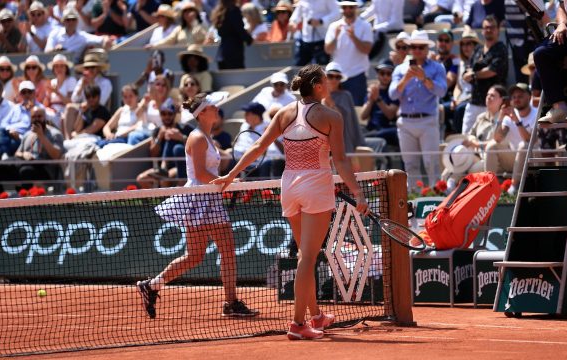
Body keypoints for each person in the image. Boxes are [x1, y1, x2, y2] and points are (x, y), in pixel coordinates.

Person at [212, 64, 368, 340]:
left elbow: (258, 147)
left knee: (303, 257)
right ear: (318, 86)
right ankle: (297, 324)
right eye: (325, 80)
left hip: (289, 187)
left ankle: (317, 316)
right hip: (316, 186)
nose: (329, 84)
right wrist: (357, 193)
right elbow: (340, 160)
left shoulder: (285, 113)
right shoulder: (331, 115)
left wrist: (229, 176)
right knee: (308, 257)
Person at [136, 92, 259, 319]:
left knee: (194, 256)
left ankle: (152, 285)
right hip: (202, 198)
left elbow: (209, 173)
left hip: (205, 196)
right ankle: (231, 302)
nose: (217, 109)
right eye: (213, 107)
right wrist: (227, 183)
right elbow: (201, 173)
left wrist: (227, 181)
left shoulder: (205, 136)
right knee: (227, 250)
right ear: (202, 113)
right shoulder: (198, 138)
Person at [388, 30, 447, 190]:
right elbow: (392, 94)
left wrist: (424, 79)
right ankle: (413, 200)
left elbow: (442, 91)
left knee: (431, 164)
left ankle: (435, 201)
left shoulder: (437, 68)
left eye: (421, 47)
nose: (417, 50)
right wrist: (406, 79)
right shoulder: (400, 70)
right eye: (414, 47)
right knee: (410, 165)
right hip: (405, 122)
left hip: (428, 120)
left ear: (427, 49)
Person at [485, 83, 536, 195]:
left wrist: (517, 121)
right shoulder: (509, 116)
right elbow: (497, 139)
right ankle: (488, 188)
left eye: (520, 96)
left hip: (532, 159)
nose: (516, 99)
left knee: (524, 145)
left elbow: (529, 140)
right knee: (491, 146)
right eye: (514, 97)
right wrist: (501, 117)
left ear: (529, 96)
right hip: (515, 158)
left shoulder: (536, 113)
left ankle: (514, 187)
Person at [462, 15, 507, 134]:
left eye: (492, 27)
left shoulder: (501, 48)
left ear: (497, 30)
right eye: (486, 27)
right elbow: (467, 70)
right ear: (482, 30)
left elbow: (492, 71)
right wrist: (468, 74)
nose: (489, 30)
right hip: (474, 101)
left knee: (489, 140)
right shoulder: (478, 50)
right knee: (466, 139)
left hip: (493, 104)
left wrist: (473, 75)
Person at [324, 0, 372, 106]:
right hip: (336, 77)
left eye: (351, 7)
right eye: (345, 7)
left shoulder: (365, 26)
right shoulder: (334, 26)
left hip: (357, 75)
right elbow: (328, 50)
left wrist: (353, 37)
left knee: (356, 111)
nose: (348, 10)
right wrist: (336, 37)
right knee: (334, 110)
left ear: (356, 8)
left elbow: (367, 50)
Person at [289, 0, 340, 66]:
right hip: (306, 40)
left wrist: (321, 21)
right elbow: (296, 15)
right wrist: (293, 22)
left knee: (322, 68)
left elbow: (337, 13)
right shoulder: (303, 1)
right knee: (298, 67)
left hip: (322, 40)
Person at [211, 0, 253, 70]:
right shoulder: (234, 10)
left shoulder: (219, 11)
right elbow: (239, 29)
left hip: (222, 53)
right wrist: (250, 40)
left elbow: (220, 32)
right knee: (238, 77)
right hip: (234, 53)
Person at [45, 54, 77, 123]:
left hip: (65, 115)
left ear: (66, 68)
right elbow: (46, 103)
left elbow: (70, 103)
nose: (59, 69)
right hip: (52, 112)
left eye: (62, 66)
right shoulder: (52, 81)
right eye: (56, 66)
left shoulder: (71, 80)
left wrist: (57, 92)